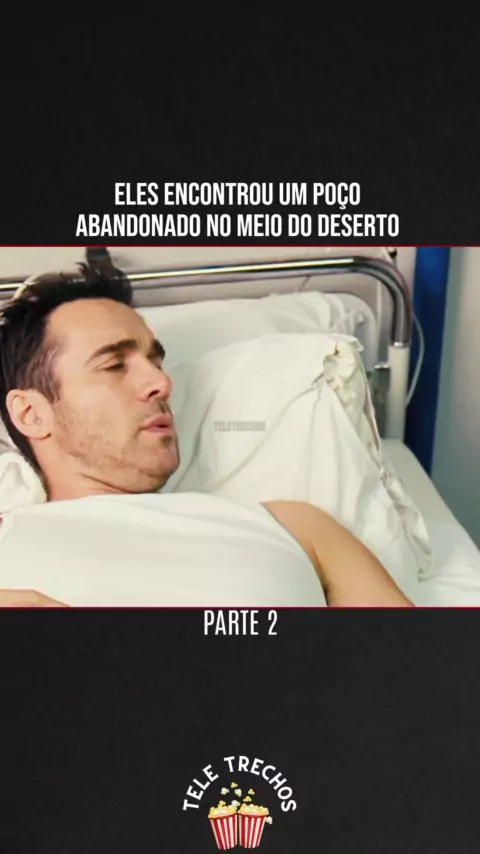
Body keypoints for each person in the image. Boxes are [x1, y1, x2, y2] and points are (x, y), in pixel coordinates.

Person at [0, 263, 413, 608]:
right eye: (113, 365)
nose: (161, 383)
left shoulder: (296, 526)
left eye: (155, 362)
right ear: (31, 414)